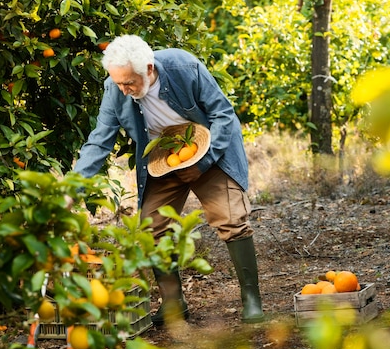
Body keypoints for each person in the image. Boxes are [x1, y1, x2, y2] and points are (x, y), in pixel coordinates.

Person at [73, 34, 264, 325]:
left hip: (207, 148)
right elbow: (99, 142)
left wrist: (205, 161)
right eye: (119, 83)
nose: (124, 90)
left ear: (149, 69)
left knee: (231, 218)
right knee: (152, 228)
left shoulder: (183, 67)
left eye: (129, 83)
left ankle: (252, 300)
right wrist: (70, 189)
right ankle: (174, 304)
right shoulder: (115, 88)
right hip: (164, 159)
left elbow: (223, 114)